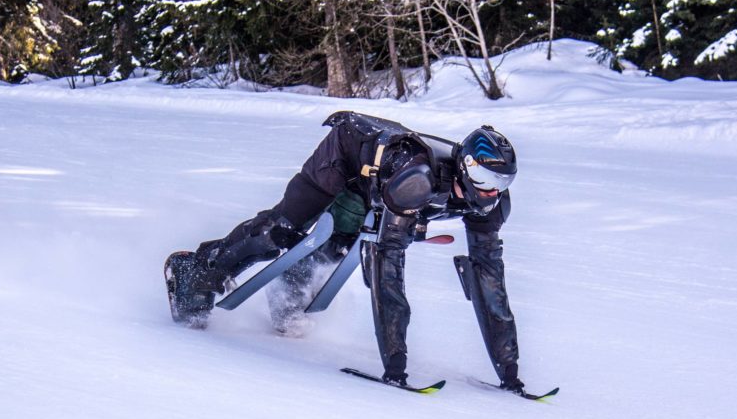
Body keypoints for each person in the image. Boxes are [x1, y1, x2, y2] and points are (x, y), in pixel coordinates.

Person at [165, 111, 524, 392]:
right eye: (483, 179)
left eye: (501, 182)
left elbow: (489, 277)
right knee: (283, 230)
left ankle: (288, 295)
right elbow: (388, 268)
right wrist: (395, 366)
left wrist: (510, 371)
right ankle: (198, 272)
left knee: (338, 243)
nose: (491, 191)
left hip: (379, 180)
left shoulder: (491, 203)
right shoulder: (418, 180)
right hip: (346, 154)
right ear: (464, 167)